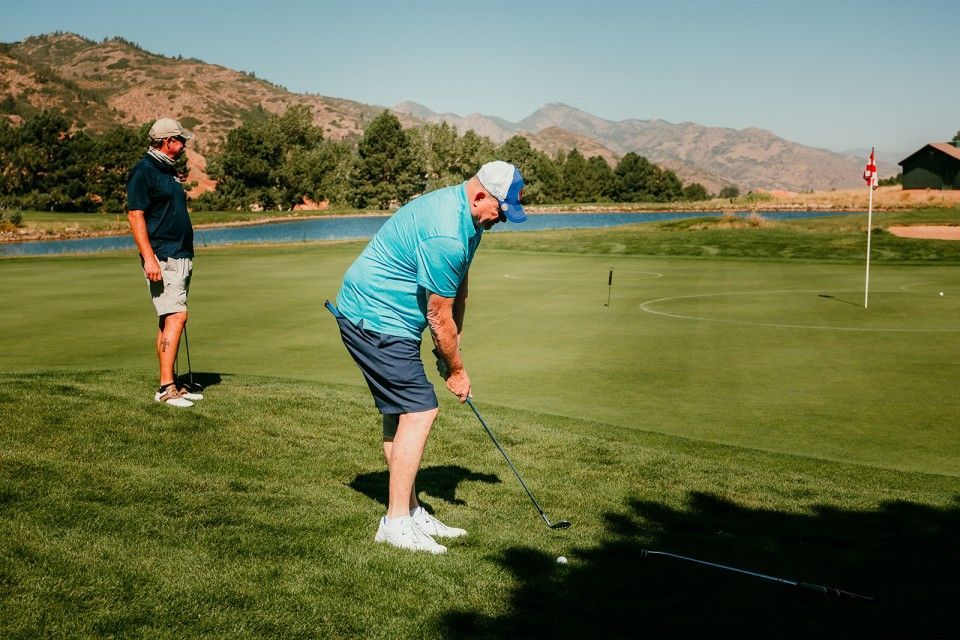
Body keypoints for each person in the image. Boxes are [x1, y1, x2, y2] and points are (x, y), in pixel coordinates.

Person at [327, 160, 526, 554]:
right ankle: (396, 522)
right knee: (420, 411)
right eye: (501, 210)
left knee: (400, 413)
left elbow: (458, 290)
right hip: (374, 318)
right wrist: (456, 371)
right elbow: (437, 313)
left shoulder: (468, 218)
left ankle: (412, 511)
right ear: (481, 194)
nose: (502, 219)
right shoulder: (447, 234)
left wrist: (450, 350)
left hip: (384, 318)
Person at [126, 117, 204, 408]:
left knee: (168, 317)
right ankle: (166, 387)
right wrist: (149, 259)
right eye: (180, 140)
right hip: (163, 255)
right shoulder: (144, 171)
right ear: (168, 142)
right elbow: (136, 216)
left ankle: (171, 382)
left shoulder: (167, 171)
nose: (184, 145)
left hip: (180, 254)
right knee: (177, 316)